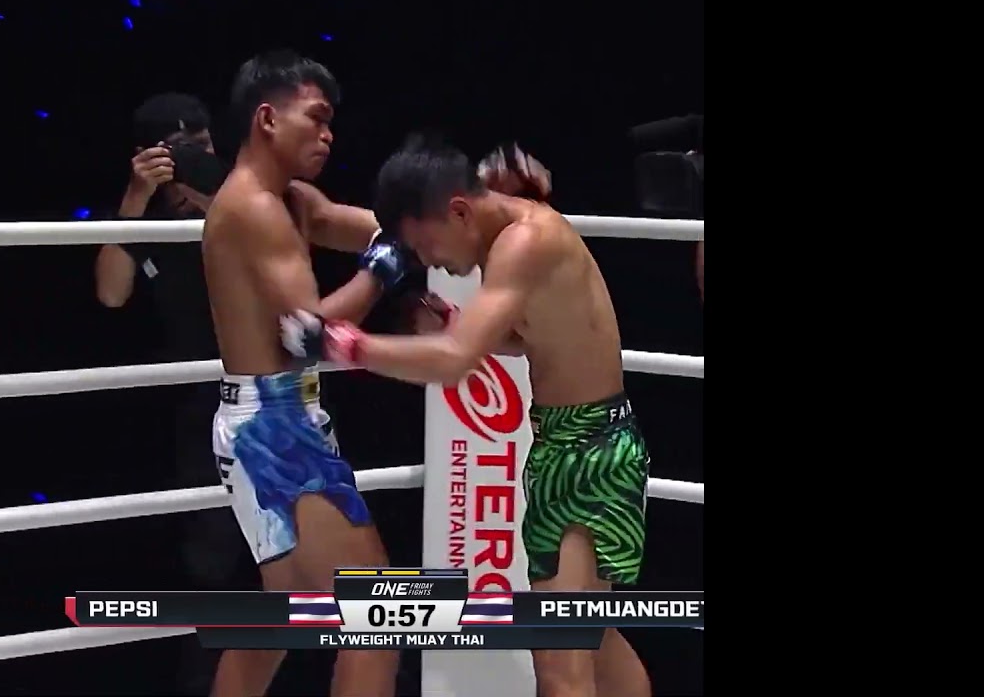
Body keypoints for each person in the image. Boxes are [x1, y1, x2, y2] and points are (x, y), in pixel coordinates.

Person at [280, 134, 653, 697]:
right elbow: (532, 339)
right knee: (595, 642)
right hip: (575, 444)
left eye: (425, 245)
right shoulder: (511, 233)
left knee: (561, 666)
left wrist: (346, 344)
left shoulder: (524, 242)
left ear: (458, 211)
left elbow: (456, 362)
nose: (430, 261)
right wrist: (458, 323)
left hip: (589, 455)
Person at [201, 50, 415, 697]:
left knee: (283, 620)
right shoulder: (253, 208)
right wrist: (385, 270)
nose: (328, 135)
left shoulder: (290, 200)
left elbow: (368, 229)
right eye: (315, 118)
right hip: (273, 429)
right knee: (377, 618)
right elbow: (309, 333)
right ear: (267, 118)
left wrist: (420, 227)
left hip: (278, 419)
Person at [91, 92, 249, 695]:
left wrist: (213, 195)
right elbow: (111, 292)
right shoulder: (145, 218)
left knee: (294, 563)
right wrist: (136, 198)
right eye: (174, 150)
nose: (188, 159)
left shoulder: (245, 201)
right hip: (197, 409)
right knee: (210, 565)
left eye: (199, 146)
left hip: (272, 390)